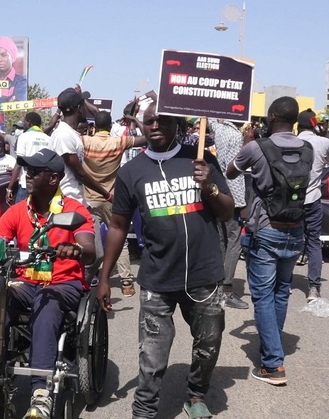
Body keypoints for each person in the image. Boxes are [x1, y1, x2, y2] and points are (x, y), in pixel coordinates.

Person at [97, 103, 234, 419]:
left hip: (204, 275)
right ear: (141, 126)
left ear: (179, 124)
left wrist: (209, 186)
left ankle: (196, 394)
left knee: (208, 344)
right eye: (149, 121)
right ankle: (144, 409)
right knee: (153, 355)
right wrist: (105, 277)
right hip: (158, 277)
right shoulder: (131, 172)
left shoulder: (201, 160)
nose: (154, 125)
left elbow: (227, 212)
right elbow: (117, 226)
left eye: (162, 119)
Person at [0, 148, 95, 419]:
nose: (26, 176)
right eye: (26, 171)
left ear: (54, 179)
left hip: (63, 283)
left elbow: (90, 249)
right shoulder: (17, 211)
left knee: (45, 307)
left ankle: (40, 392)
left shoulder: (74, 210)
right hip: (25, 281)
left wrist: (75, 250)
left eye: (34, 172)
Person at [227, 96, 312, 386]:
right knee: (282, 291)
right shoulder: (308, 148)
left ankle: (273, 364)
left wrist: (247, 143)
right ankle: (270, 348)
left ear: (273, 116)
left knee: (262, 295)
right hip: (295, 228)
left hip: (265, 228)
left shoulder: (256, 147)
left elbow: (230, 172)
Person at [82, 110, 146, 297]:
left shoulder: (85, 141)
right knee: (121, 240)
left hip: (89, 198)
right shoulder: (118, 142)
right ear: (110, 127)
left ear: (95, 127)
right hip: (112, 198)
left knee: (90, 240)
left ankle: (89, 278)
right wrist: (135, 120)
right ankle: (126, 282)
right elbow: (146, 138)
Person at [296, 109, 329, 302]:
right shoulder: (324, 142)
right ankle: (314, 288)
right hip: (313, 198)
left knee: (288, 239)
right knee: (314, 241)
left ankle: (282, 282)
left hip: (291, 201)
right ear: (315, 124)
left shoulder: (290, 141)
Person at [210, 118, 250, 309]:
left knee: (221, 241)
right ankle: (226, 290)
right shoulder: (234, 135)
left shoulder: (219, 129)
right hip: (231, 197)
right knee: (234, 243)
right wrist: (241, 203)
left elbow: (210, 121)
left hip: (217, 193)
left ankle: (217, 284)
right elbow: (233, 173)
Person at [49, 87, 111, 205]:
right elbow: (80, 174)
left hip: (76, 199)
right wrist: (107, 195)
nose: (86, 108)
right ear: (79, 108)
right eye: (84, 105)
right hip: (66, 202)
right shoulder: (63, 135)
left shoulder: (71, 134)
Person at [7, 112, 51, 204]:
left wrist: (9, 188)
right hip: (43, 185)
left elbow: (19, 163)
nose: (23, 124)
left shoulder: (24, 137)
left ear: (29, 122)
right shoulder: (48, 138)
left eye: (25, 121)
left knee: (22, 215)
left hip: (26, 185)